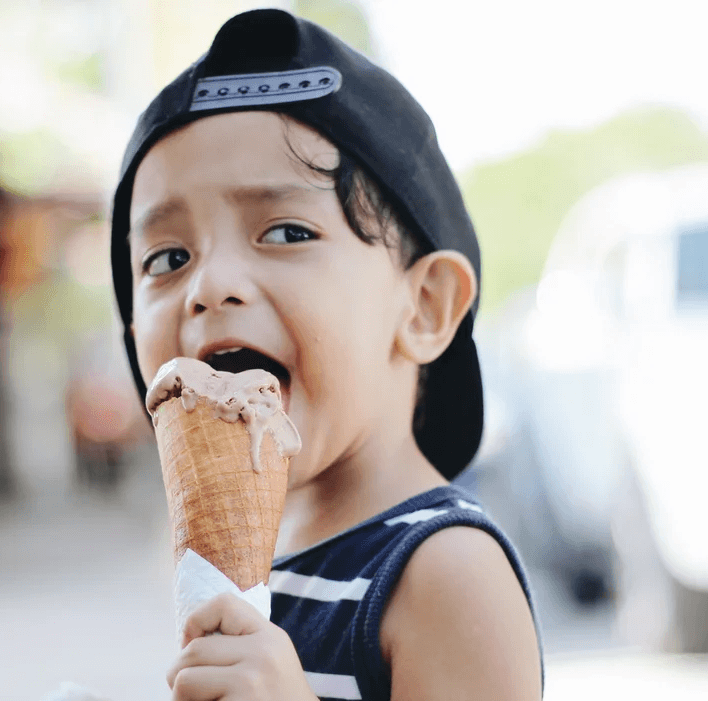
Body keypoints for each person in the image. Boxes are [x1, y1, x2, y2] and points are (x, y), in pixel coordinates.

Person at [108, 9, 543, 700]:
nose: (209, 284)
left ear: (424, 306)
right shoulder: (248, 567)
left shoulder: (444, 569)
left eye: (283, 231)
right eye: (166, 257)